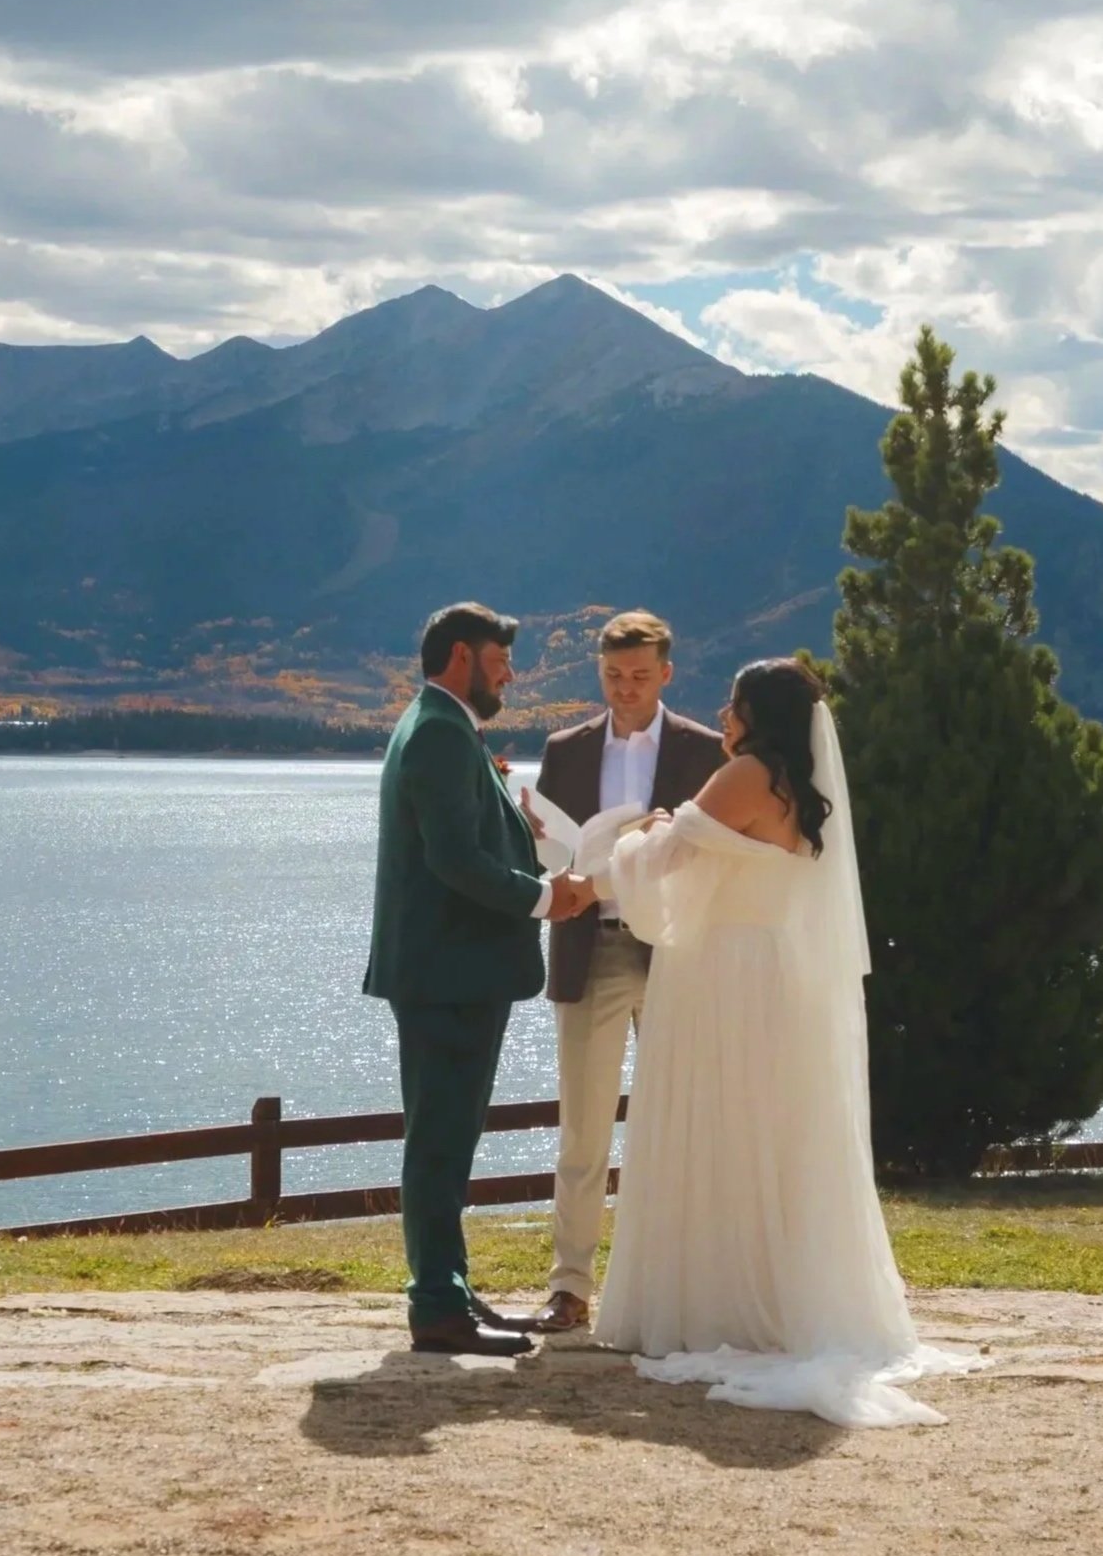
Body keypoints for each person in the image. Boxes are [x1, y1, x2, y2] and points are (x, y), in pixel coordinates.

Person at [592, 658, 978, 1426]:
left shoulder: (743, 776)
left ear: (758, 714)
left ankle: (720, 1310)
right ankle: (768, 1291)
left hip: (723, 974)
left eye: (733, 705)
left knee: (719, 1128)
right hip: (777, 973)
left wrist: (638, 835)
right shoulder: (802, 788)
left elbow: (662, 863)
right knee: (769, 1136)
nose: (724, 717)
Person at [363, 602, 595, 1358]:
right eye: (501, 660)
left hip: (448, 971)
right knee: (439, 1142)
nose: (510, 674)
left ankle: (450, 1291)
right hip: (448, 973)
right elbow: (453, 861)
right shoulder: (436, 732)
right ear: (461, 656)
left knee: (447, 1138)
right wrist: (545, 897)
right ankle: (435, 1305)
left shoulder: (442, 726)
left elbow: (464, 839)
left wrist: (519, 830)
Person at [529, 612, 724, 1335]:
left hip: (678, 953)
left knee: (685, 1124)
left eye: (640, 676)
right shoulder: (565, 748)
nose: (626, 689)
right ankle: (570, 1287)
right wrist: (534, 834)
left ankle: (686, 1288)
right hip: (591, 947)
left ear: (666, 673)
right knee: (582, 1130)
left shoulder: (704, 749)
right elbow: (549, 848)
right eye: (613, 675)